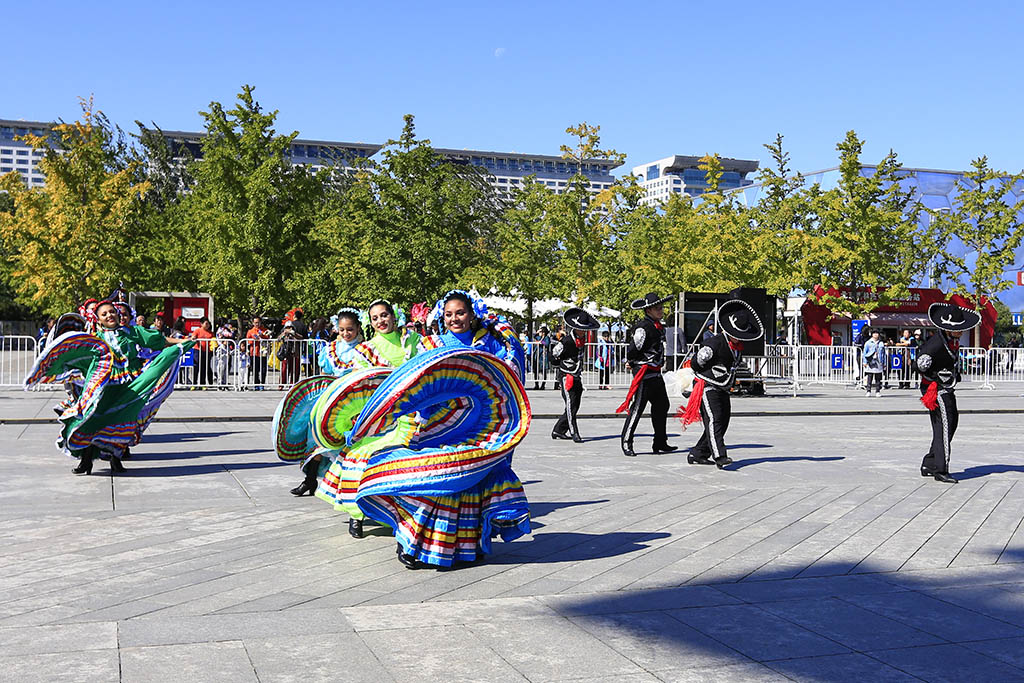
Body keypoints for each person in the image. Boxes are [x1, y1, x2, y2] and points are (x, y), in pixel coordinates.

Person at [354, 289, 528, 569]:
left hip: (481, 426)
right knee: (437, 482)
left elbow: (510, 374)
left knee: (472, 484)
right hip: (440, 425)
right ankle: (412, 543)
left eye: (460, 313)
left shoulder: (489, 344)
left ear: (472, 315)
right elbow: (418, 381)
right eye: (448, 314)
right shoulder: (431, 344)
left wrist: (506, 332)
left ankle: (468, 546)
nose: (454, 318)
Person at [25, 299, 192, 475]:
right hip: (102, 387)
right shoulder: (95, 339)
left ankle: (116, 460)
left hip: (128, 385)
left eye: (112, 311)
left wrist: (183, 342)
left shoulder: (131, 332)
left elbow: (158, 340)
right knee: (91, 419)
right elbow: (79, 354)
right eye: (104, 314)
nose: (109, 315)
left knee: (122, 420)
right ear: (97, 319)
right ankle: (86, 460)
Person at [280, 308, 367, 499]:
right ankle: (310, 479)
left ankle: (345, 485)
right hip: (332, 400)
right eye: (342, 329)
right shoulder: (331, 349)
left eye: (350, 329)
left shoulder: (366, 350)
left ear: (358, 328)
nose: (346, 334)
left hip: (355, 404)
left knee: (346, 444)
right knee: (318, 439)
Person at [681, 299, 764, 469]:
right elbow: (696, 362)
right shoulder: (714, 343)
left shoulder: (737, 346)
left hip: (723, 386)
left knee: (724, 420)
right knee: (714, 419)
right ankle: (720, 456)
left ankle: (698, 453)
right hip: (707, 385)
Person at [916, 303, 981, 484]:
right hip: (935, 389)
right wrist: (935, 377)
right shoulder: (935, 344)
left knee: (950, 423)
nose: (961, 332)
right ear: (947, 328)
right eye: (958, 329)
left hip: (946, 387)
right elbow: (920, 364)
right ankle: (941, 469)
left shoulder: (950, 341)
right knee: (944, 426)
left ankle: (930, 462)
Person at [617, 293, 677, 458]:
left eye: (661, 308)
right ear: (649, 310)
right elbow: (633, 348)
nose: (661, 311)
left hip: (656, 373)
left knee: (662, 405)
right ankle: (626, 441)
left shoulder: (658, 326)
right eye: (658, 308)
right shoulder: (643, 327)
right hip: (644, 374)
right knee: (637, 409)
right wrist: (632, 360)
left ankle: (660, 442)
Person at [550, 308, 600, 443]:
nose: (583, 332)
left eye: (585, 330)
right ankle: (574, 432)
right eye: (581, 329)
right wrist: (561, 368)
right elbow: (553, 355)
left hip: (577, 375)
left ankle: (558, 430)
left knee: (575, 404)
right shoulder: (566, 341)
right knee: (571, 404)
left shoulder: (582, 340)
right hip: (567, 376)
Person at [353, 300, 420, 368]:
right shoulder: (367, 350)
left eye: (384, 315)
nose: (380, 321)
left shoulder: (412, 337)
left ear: (393, 316)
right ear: (371, 324)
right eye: (375, 319)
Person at [246, 317, 271, 389]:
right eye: (255, 322)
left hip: (263, 352)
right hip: (254, 352)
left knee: (263, 369)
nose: (257, 324)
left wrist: (262, 336)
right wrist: (254, 339)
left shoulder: (265, 330)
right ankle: (256, 384)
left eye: (258, 322)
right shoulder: (250, 331)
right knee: (255, 369)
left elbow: (268, 338)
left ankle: (262, 384)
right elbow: (248, 341)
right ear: (253, 323)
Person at [275, 321, 302, 387]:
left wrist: (293, 334)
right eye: (287, 327)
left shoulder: (295, 333)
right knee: (284, 369)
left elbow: (301, 337)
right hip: (285, 353)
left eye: (290, 327)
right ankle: (281, 384)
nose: (289, 329)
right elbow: (278, 339)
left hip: (295, 353)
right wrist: (284, 334)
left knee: (295, 370)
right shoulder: (283, 333)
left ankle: (293, 385)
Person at [191, 317, 215, 388]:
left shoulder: (211, 333)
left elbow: (213, 341)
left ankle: (202, 384)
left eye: (208, 324)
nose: (207, 325)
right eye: (206, 324)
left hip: (207, 352)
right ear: (201, 324)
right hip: (197, 351)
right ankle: (194, 384)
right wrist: (194, 338)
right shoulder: (197, 330)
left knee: (204, 368)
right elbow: (193, 336)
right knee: (196, 367)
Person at [862, 329, 886, 397]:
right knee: (870, 377)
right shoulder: (868, 343)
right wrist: (865, 362)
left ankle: (877, 391)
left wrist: (884, 363)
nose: (876, 335)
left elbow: (883, 354)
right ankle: (868, 391)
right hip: (871, 361)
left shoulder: (881, 343)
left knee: (878, 378)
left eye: (877, 333)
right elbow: (865, 353)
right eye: (874, 333)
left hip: (879, 361)